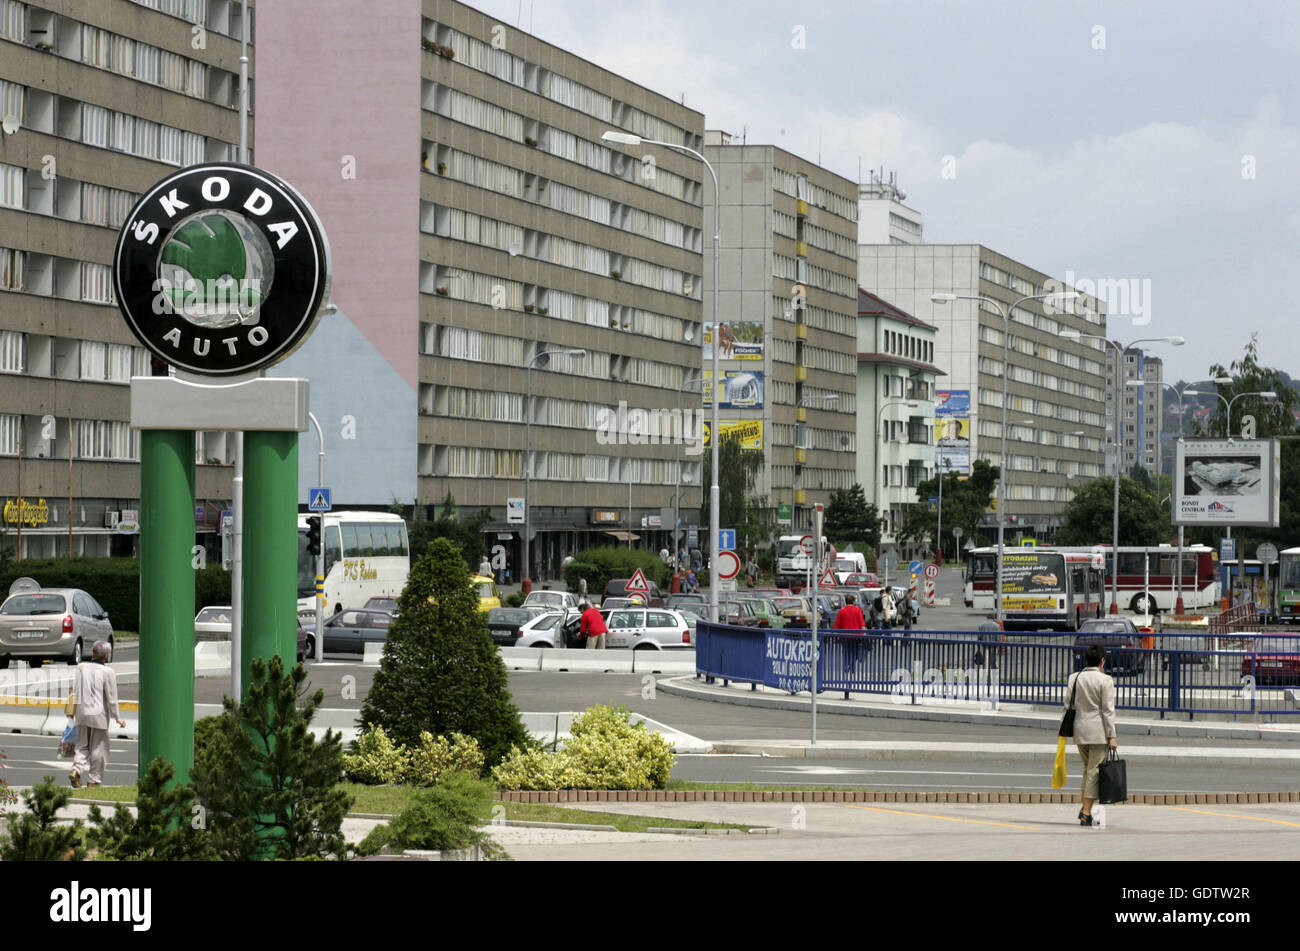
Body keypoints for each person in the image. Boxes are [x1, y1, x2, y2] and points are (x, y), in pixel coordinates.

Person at [1066, 644, 1118, 826]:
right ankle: (1086, 812)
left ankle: (1084, 808)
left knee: (1088, 770)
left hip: (1079, 731)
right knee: (1094, 772)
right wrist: (1112, 735)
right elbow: (1107, 711)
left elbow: (1067, 706)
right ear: (1102, 661)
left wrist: (1063, 729)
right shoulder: (1105, 680)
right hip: (1098, 733)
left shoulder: (1074, 678)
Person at [70, 640, 124, 789]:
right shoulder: (108, 672)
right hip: (99, 715)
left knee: (81, 745)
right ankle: (94, 780)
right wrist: (117, 717)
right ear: (106, 655)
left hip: (82, 713)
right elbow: (112, 698)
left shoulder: (81, 667)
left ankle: (76, 769)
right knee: (99, 748)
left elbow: (75, 691)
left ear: (93, 653)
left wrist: (72, 712)